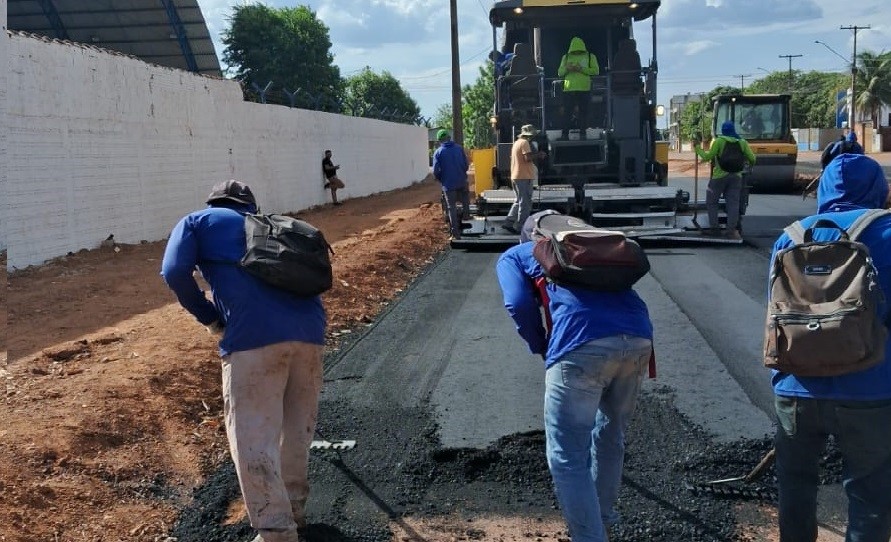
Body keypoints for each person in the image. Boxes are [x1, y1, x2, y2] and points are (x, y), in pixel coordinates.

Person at [160, 180, 326, 542]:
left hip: (253, 340)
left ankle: (275, 532)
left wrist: (209, 317)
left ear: (213, 202)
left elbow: (173, 271)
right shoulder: (271, 226)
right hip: (311, 336)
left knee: (254, 437)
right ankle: (294, 513)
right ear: (250, 206)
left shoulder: (197, 222)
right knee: (296, 433)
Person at [496, 210, 654, 542]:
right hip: (639, 338)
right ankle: (604, 516)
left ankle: (590, 536)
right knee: (611, 432)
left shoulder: (518, 254)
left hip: (580, 344)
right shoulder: (594, 246)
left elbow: (517, 303)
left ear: (530, 237)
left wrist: (541, 345)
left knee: (567, 454)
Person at [767, 154, 891, 542]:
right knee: (869, 492)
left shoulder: (790, 237)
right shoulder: (887, 232)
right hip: (871, 386)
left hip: (797, 387)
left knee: (796, 484)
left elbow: (775, 311)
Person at [693, 120, 756, 240]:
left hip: (719, 177)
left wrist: (697, 149)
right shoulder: (742, 142)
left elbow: (707, 157)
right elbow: (752, 158)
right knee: (733, 204)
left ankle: (715, 229)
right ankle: (730, 231)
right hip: (736, 177)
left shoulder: (719, 141)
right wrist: (748, 165)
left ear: (723, 130)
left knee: (712, 202)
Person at [501, 124, 544, 234]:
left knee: (518, 201)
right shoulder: (525, 143)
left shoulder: (517, 143)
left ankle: (508, 222)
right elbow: (527, 158)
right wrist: (539, 155)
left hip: (516, 175)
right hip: (523, 177)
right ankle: (521, 227)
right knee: (525, 203)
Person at [431, 129, 470, 240]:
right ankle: (466, 215)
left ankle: (455, 233)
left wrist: (441, 179)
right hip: (461, 180)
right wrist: (462, 173)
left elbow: (436, 170)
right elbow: (466, 165)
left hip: (448, 184)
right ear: (449, 138)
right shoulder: (459, 148)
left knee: (451, 207)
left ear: (439, 140)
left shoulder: (438, 152)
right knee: (465, 199)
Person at [557, 37, 599, 136]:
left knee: (583, 113)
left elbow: (596, 71)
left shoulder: (590, 56)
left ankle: (583, 134)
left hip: (583, 88)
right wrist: (567, 68)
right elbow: (560, 73)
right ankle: (564, 135)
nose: (576, 53)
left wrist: (581, 69)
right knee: (567, 113)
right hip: (569, 89)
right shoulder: (566, 57)